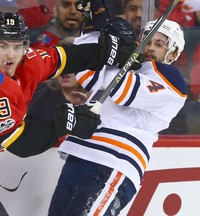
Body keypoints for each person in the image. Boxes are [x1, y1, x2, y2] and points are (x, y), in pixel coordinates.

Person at [0, 11, 141, 215]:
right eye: (3, 46)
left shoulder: (28, 60)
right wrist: (67, 124)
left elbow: (62, 57)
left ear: (25, 46)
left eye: (16, 46)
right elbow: (21, 143)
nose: (10, 55)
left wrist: (102, 53)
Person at [47, 0, 188, 215]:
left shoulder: (172, 80)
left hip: (112, 162)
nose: (150, 47)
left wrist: (111, 55)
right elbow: (86, 74)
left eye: (160, 44)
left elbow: (122, 89)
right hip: (79, 154)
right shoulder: (129, 67)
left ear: (173, 54)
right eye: (148, 40)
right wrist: (93, 30)